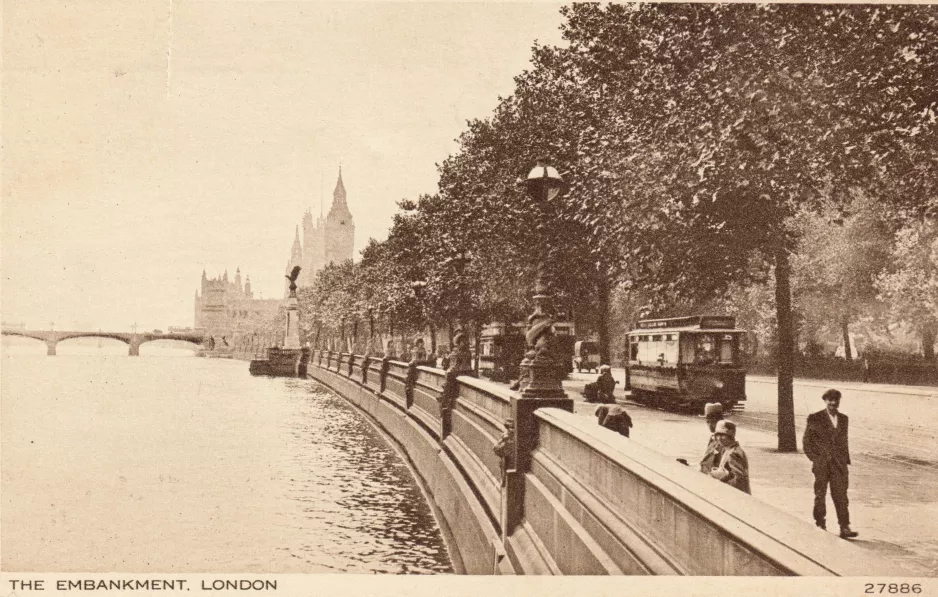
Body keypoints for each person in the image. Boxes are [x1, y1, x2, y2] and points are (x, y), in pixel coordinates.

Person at [803, 389, 858, 538]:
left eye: (836, 400)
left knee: (841, 495)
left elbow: (843, 442)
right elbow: (807, 443)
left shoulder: (844, 419)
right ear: (825, 401)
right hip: (822, 464)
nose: (833, 403)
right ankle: (820, 523)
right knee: (820, 495)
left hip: (839, 465)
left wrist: (844, 461)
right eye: (830, 400)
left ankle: (844, 527)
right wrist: (816, 459)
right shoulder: (815, 418)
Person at [708, 420, 751, 494]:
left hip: (737, 496)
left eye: (723, 435)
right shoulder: (728, 449)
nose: (719, 438)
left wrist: (721, 479)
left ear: (731, 435)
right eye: (717, 435)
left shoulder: (734, 453)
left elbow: (739, 480)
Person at [699, 402, 724, 473]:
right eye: (707, 422)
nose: (709, 425)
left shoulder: (722, 441)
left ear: (719, 421)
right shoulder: (713, 439)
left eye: (711, 422)